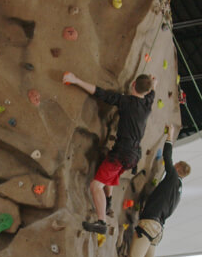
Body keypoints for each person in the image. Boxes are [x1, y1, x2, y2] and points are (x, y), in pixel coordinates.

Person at [63, 71, 156, 234]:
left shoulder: (125, 101)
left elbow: (100, 93)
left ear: (133, 84)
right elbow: (153, 90)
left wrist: (76, 80)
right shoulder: (147, 105)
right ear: (147, 92)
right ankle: (109, 203)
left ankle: (101, 222)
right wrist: (152, 84)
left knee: (95, 185)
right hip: (133, 157)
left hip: (121, 153)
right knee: (110, 175)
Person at [128, 125, 190, 257]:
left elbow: (167, 159)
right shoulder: (178, 192)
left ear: (178, 169)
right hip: (158, 230)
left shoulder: (173, 178)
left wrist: (170, 136)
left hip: (149, 225)